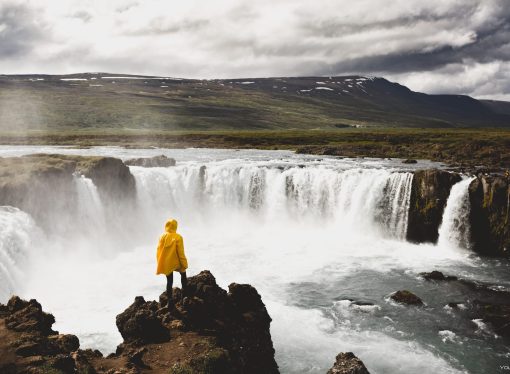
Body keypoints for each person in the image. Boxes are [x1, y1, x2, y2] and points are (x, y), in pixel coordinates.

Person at [156, 219, 188, 311]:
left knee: (169, 281)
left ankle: (170, 302)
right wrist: (184, 263)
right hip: (177, 262)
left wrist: (160, 262)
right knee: (183, 275)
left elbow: (158, 251)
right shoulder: (178, 237)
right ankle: (184, 297)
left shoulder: (161, 236)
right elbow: (180, 252)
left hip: (167, 263)